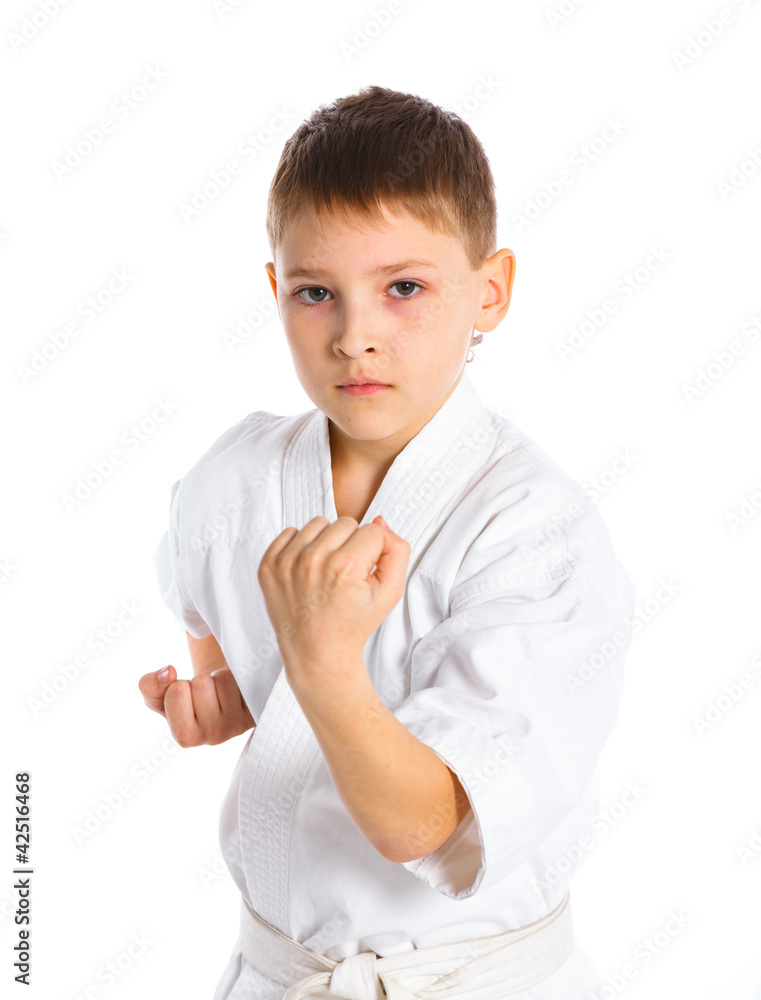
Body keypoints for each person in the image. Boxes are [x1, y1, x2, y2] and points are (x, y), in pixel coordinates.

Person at [138, 84, 637, 1000]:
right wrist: (228, 699)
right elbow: (214, 625)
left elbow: (428, 825)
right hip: (277, 973)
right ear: (275, 290)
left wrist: (321, 660)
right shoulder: (230, 479)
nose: (354, 336)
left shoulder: (534, 531)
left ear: (489, 291)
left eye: (403, 288)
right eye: (315, 293)